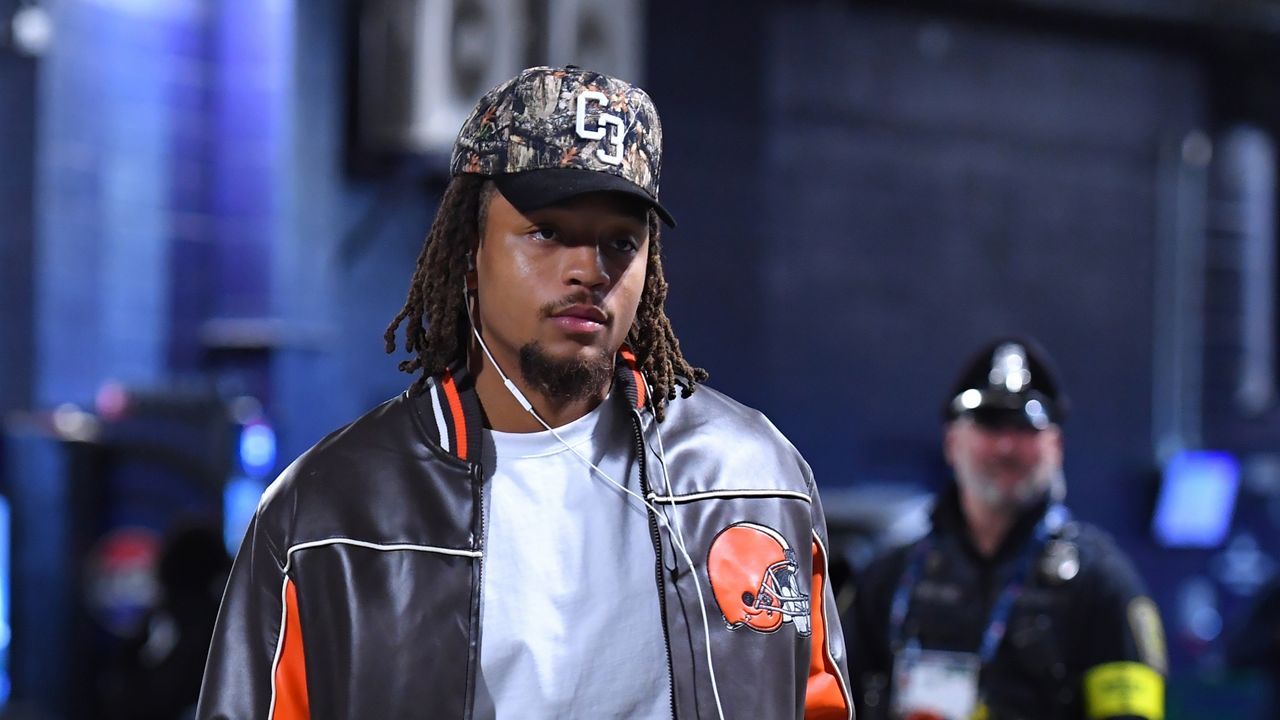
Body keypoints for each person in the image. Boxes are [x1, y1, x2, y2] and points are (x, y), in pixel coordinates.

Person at [196, 65, 851, 719]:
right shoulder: (333, 507)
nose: (587, 270)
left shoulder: (756, 478)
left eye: (620, 242)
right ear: (469, 250)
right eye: (547, 232)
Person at [847, 337, 1167, 720]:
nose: (1006, 447)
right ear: (951, 442)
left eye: (1024, 428)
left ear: (1057, 446)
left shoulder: (1101, 583)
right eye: (989, 424)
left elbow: (1133, 715)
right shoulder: (890, 577)